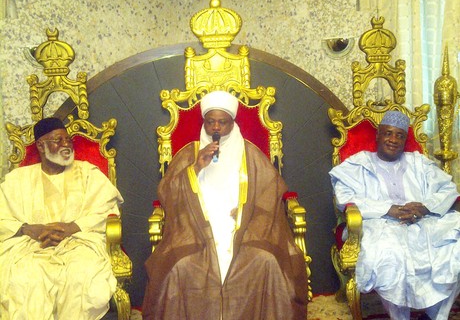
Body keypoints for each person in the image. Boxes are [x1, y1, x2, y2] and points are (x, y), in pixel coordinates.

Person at [142, 90, 308, 319]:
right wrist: (196, 167)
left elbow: (271, 193)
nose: (216, 128)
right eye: (211, 122)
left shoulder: (250, 153)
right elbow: (167, 193)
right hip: (196, 226)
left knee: (266, 261)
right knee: (180, 266)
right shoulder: (190, 153)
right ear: (204, 122)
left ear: (232, 123)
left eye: (222, 122)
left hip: (243, 225)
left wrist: (247, 211)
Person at [329, 110, 460, 320]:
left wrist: (424, 207)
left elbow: (448, 189)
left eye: (400, 135)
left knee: (455, 246)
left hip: (423, 222)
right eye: (388, 133)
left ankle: (436, 315)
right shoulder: (359, 164)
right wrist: (387, 209)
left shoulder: (419, 163)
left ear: (405, 140)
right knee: (390, 254)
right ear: (378, 135)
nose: (393, 139)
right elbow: (344, 197)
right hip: (380, 224)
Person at [0, 117, 123, 319]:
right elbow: (3, 217)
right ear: (41, 146)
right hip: (31, 246)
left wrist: (71, 227)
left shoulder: (88, 173)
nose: (66, 145)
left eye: (68, 140)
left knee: (81, 274)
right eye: (58, 140)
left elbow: (108, 212)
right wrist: (28, 229)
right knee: (24, 276)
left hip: (78, 243)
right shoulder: (17, 180)